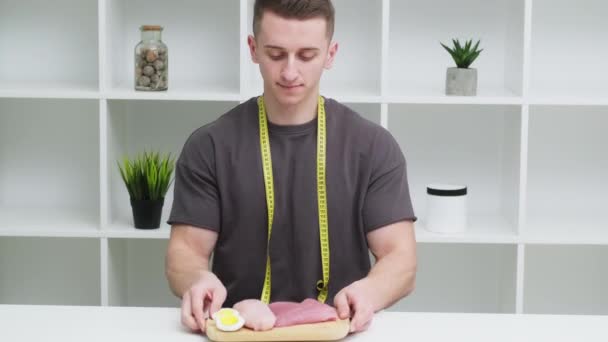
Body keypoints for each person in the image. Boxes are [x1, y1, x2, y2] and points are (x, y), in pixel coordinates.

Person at [165, 0, 417, 335]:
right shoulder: (209, 146)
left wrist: (368, 293)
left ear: (331, 54)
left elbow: (401, 258)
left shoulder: (373, 147)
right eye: (276, 53)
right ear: (253, 49)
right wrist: (199, 280)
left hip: (341, 330)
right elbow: (185, 252)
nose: (289, 72)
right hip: (240, 333)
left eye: (307, 55)